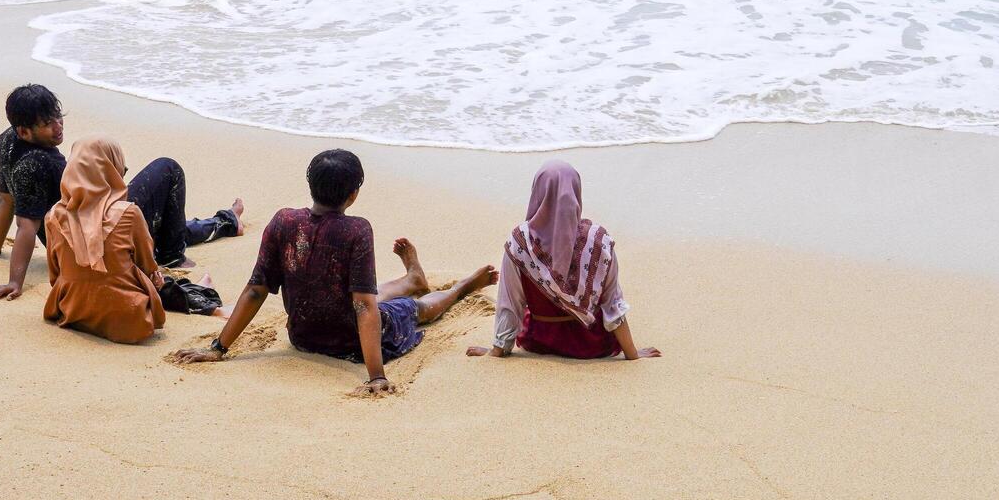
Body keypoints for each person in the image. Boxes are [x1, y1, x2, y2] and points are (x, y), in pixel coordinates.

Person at [173, 149, 496, 394]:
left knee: (364, 292)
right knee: (416, 309)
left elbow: (256, 289)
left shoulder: (283, 221)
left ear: (310, 185)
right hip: (350, 343)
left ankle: (412, 280)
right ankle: (461, 288)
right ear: (353, 194)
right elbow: (363, 307)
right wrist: (377, 375)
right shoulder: (356, 230)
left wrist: (218, 349)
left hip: (303, 336)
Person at [0, 84, 245, 300]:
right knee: (167, 170)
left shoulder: (5, 142)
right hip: (94, 231)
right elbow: (26, 224)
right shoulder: (40, 162)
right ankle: (173, 254)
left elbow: (7, 198)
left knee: (161, 218)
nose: (58, 128)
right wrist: (15, 282)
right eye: (47, 124)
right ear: (24, 132)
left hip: (70, 233)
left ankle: (227, 221)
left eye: (58, 117)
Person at [466, 161, 660, 361]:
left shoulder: (519, 243)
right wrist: (633, 354)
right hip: (592, 344)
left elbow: (510, 303)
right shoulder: (599, 241)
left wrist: (496, 351)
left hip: (538, 342)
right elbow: (612, 303)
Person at [43, 137, 216, 344]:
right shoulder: (129, 213)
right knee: (152, 276)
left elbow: (55, 275)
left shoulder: (53, 216)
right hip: (130, 317)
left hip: (71, 310)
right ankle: (198, 292)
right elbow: (147, 267)